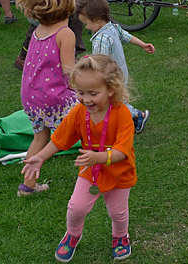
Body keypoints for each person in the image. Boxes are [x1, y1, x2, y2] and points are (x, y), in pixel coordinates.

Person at [21, 54, 137, 262]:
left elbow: (122, 152)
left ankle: (120, 237)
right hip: (90, 171)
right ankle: (72, 235)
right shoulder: (78, 113)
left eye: (93, 93)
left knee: (117, 213)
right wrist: (40, 157)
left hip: (119, 172)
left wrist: (98, 157)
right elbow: (59, 140)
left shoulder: (122, 114)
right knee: (76, 207)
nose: (86, 99)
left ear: (110, 90)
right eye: (80, 92)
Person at [15, 0, 78, 196]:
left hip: (32, 97)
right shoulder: (65, 33)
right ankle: (98, 173)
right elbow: (70, 73)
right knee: (89, 124)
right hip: (55, 98)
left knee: (40, 137)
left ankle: (28, 186)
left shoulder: (38, 30)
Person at [75, 0, 154, 133]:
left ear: (97, 20)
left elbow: (100, 63)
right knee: (117, 101)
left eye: (86, 23)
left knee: (114, 103)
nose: (86, 27)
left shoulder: (101, 39)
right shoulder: (112, 27)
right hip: (120, 73)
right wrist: (143, 44)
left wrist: (89, 68)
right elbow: (126, 36)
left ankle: (137, 116)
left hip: (109, 77)